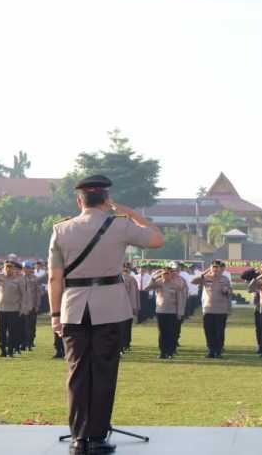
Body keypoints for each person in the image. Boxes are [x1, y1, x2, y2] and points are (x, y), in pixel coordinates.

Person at [47, 174, 164, 455]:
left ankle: (79, 437)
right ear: (106, 200)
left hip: (72, 308)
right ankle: (98, 436)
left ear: (80, 200)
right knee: (104, 371)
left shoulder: (61, 230)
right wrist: (127, 211)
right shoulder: (121, 225)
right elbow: (157, 239)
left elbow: (54, 278)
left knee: (76, 373)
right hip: (109, 308)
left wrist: (54, 314)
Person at [146, 263, 186, 359]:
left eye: (168, 273)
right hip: (161, 311)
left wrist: (180, 313)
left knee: (171, 333)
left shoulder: (176, 285)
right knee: (162, 333)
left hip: (172, 312)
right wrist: (154, 278)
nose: (166, 275)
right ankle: (162, 352)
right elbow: (147, 288)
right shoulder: (158, 283)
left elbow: (180, 300)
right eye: (164, 273)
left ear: (171, 274)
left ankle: (170, 352)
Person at [193, 261, 232, 358]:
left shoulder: (225, 279)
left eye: (217, 267)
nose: (215, 269)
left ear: (220, 269)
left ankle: (218, 351)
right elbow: (193, 281)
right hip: (208, 309)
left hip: (221, 310)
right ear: (210, 268)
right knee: (209, 331)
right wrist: (205, 273)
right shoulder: (206, 278)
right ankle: (211, 350)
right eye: (213, 267)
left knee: (219, 332)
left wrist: (227, 291)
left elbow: (230, 291)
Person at [120, 264, 139, 353]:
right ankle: (123, 345)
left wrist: (134, 307)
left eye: (127, 268)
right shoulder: (117, 278)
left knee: (126, 326)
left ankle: (126, 344)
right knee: (122, 327)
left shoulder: (131, 279)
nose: (125, 269)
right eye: (124, 267)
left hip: (127, 306)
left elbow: (134, 294)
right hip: (120, 306)